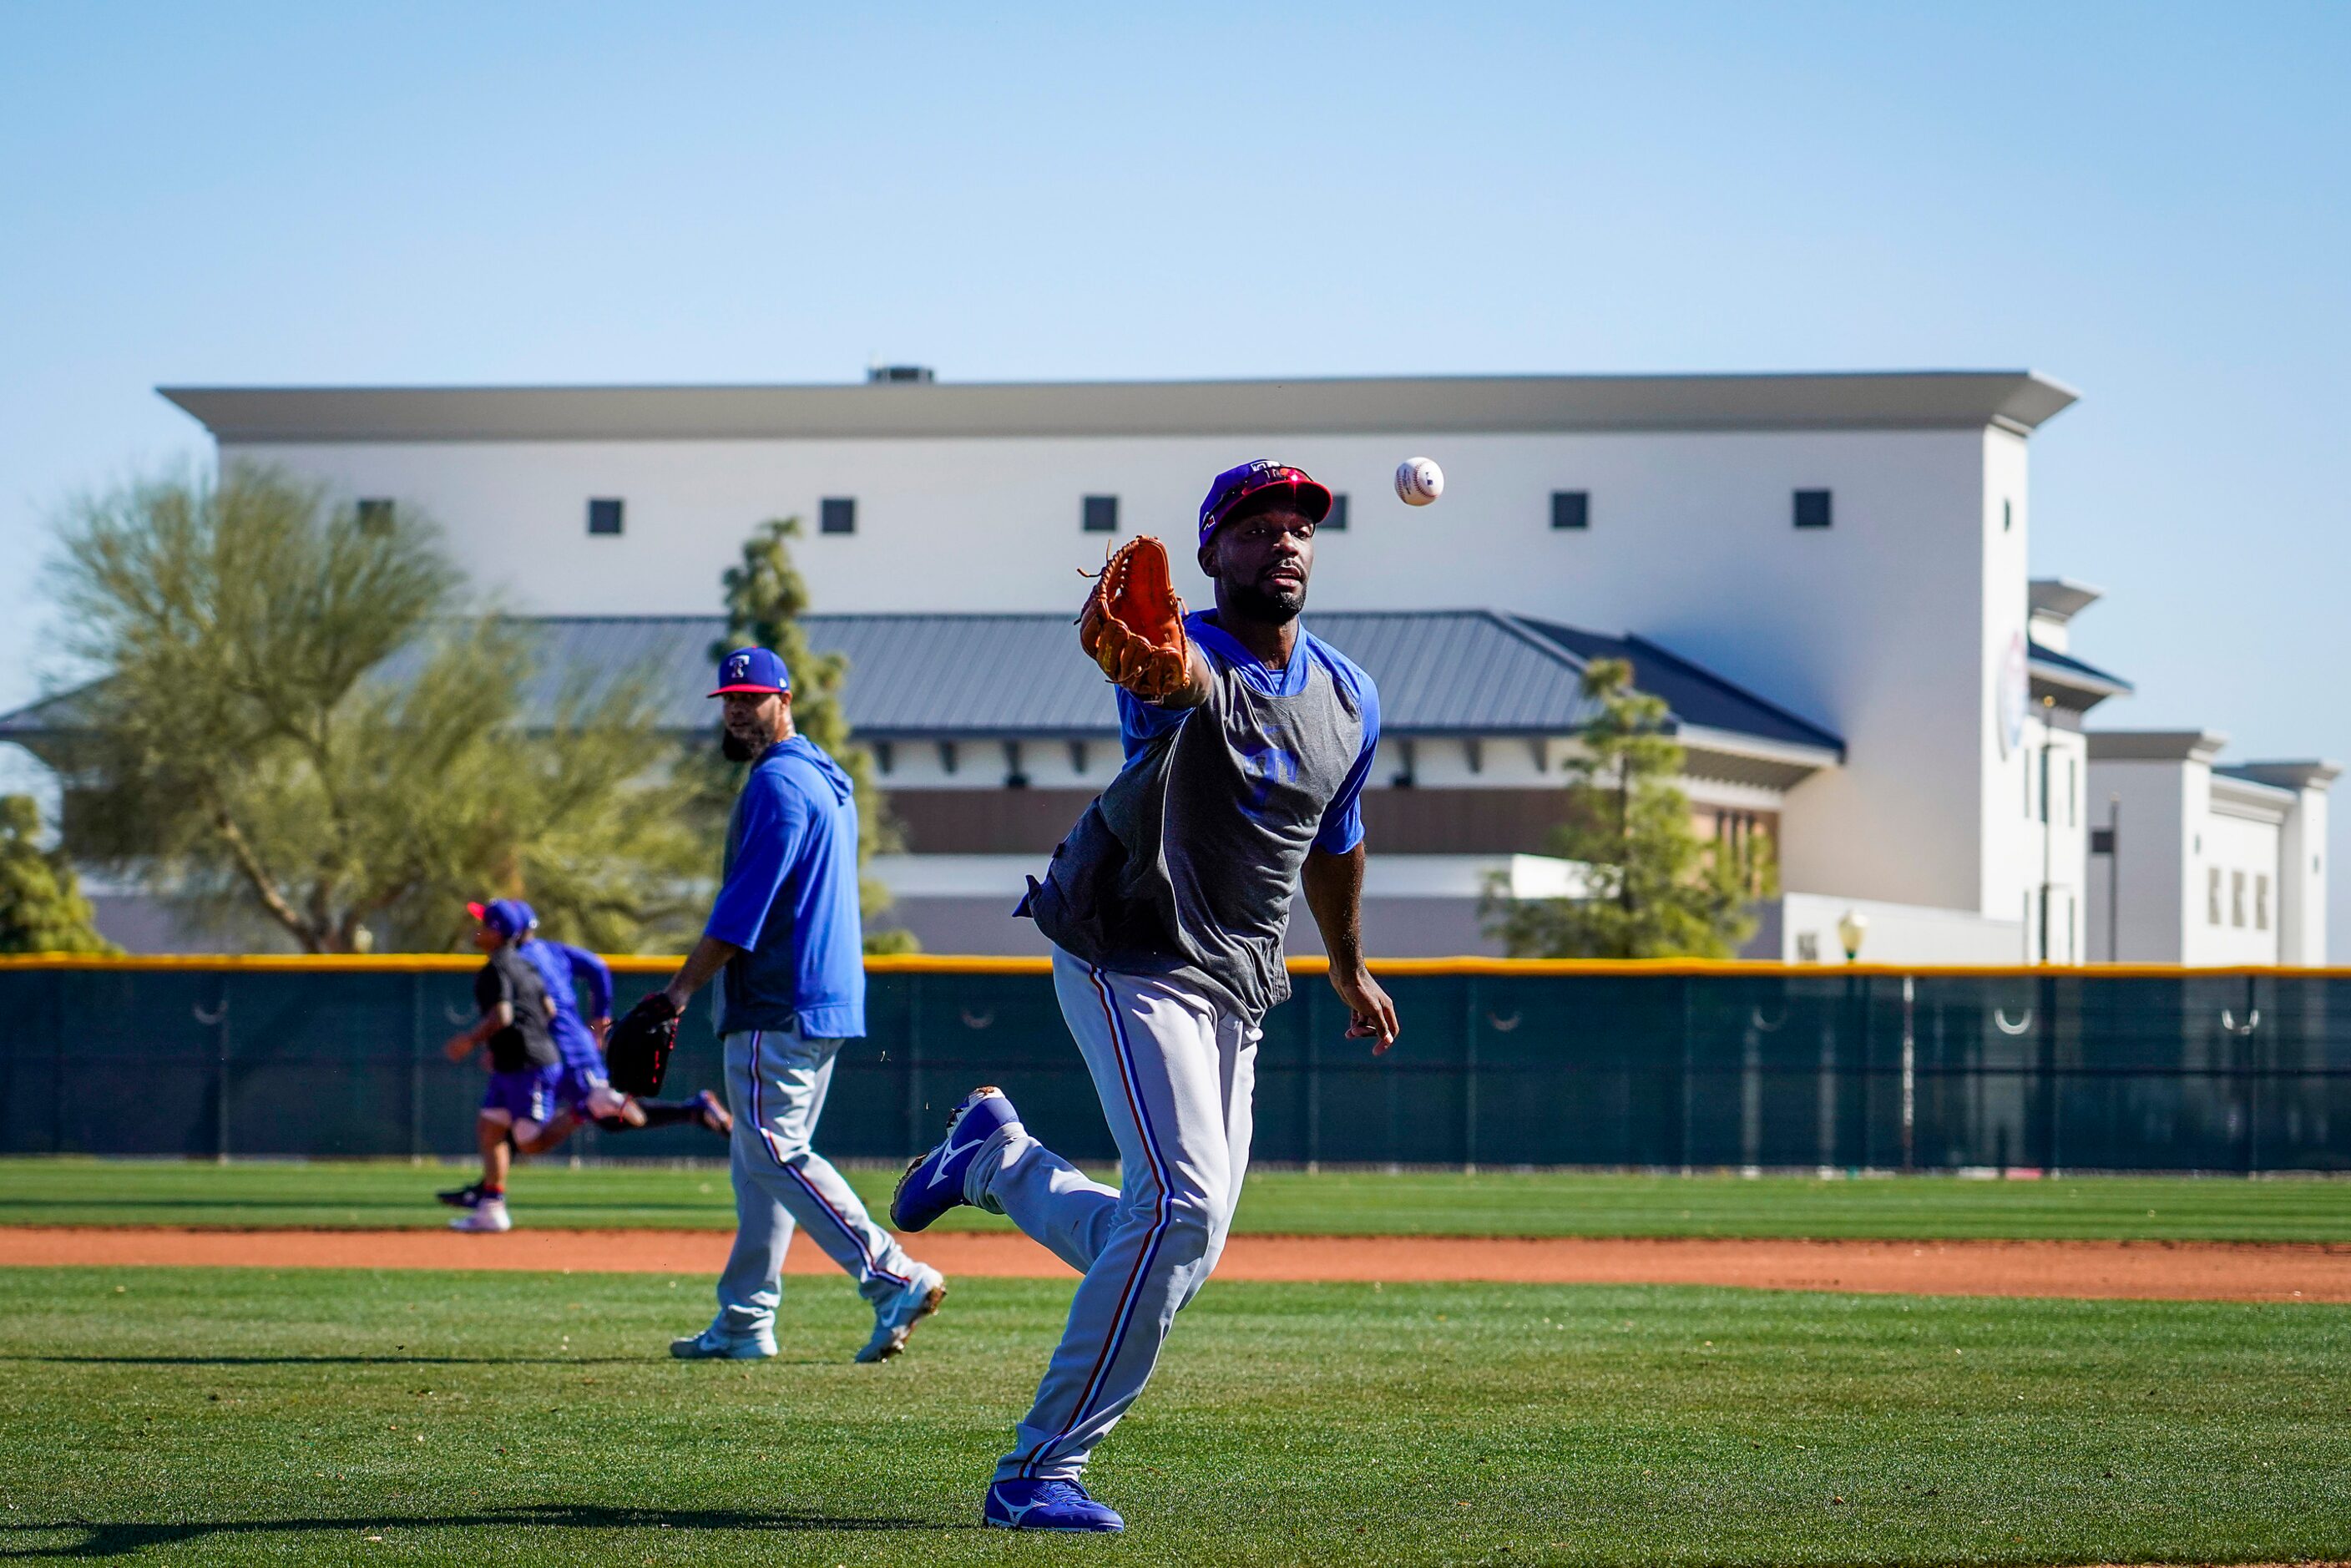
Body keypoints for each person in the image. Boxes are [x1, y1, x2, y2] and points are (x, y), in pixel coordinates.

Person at [892, 459, 1401, 1532]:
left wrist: (1347, 963)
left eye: (1299, 526)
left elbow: (1336, 843)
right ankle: (1037, 1470)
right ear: (1209, 554)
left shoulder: (1349, 694)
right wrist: (1168, 674)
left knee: (1180, 1236)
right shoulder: (1178, 657)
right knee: (1180, 1211)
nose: (1284, 542)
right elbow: (1169, 685)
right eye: (1255, 527)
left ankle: (995, 1161)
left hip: (1236, 980)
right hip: (1129, 945)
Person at [652, 645, 947, 1363]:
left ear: (783, 700)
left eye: (751, 698)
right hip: (821, 998)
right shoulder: (822, 777)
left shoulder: (780, 786)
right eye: (729, 700)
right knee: (759, 1163)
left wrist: (679, 989)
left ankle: (892, 1275)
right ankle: (745, 1319)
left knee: (775, 1154)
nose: (737, 711)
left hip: (777, 998)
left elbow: (742, 908)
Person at [438, 900, 731, 1218]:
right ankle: (488, 1193)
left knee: (605, 1115)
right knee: (510, 1118)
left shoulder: (516, 962)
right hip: (563, 1041)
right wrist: (599, 1018)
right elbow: (596, 967)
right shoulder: (548, 951)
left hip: (560, 1048)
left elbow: (527, 1012)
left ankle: (695, 1110)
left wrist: (496, 1046)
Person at [441, 900, 564, 1234]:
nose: (476, 929)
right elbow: (549, 1010)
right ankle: (492, 1209)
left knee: (528, 1141)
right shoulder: (526, 966)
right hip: (516, 1062)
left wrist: (469, 1041)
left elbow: (503, 1016)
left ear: (495, 932)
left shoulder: (495, 969)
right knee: (490, 1127)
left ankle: (583, 1110)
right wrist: (499, 1047)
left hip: (530, 1064)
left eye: (482, 924)